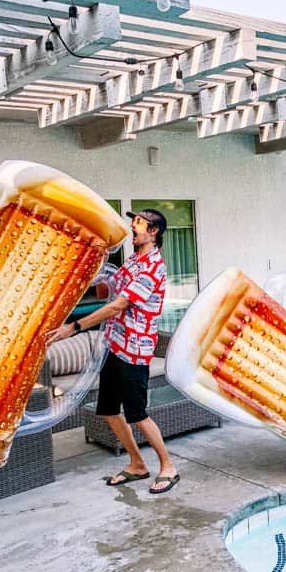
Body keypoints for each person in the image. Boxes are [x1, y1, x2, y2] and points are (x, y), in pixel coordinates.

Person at [46, 208, 179, 495]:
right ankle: (136, 463)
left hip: (135, 350)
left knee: (137, 413)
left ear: (153, 231)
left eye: (139, 223)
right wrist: (98, 264)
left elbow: (117, 304)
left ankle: (168, 467)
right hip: (115, 345)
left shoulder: (154, 267)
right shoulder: (133, 261)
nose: (133, 226)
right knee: (107, 409)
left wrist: (74, 327)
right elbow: (110, 288)